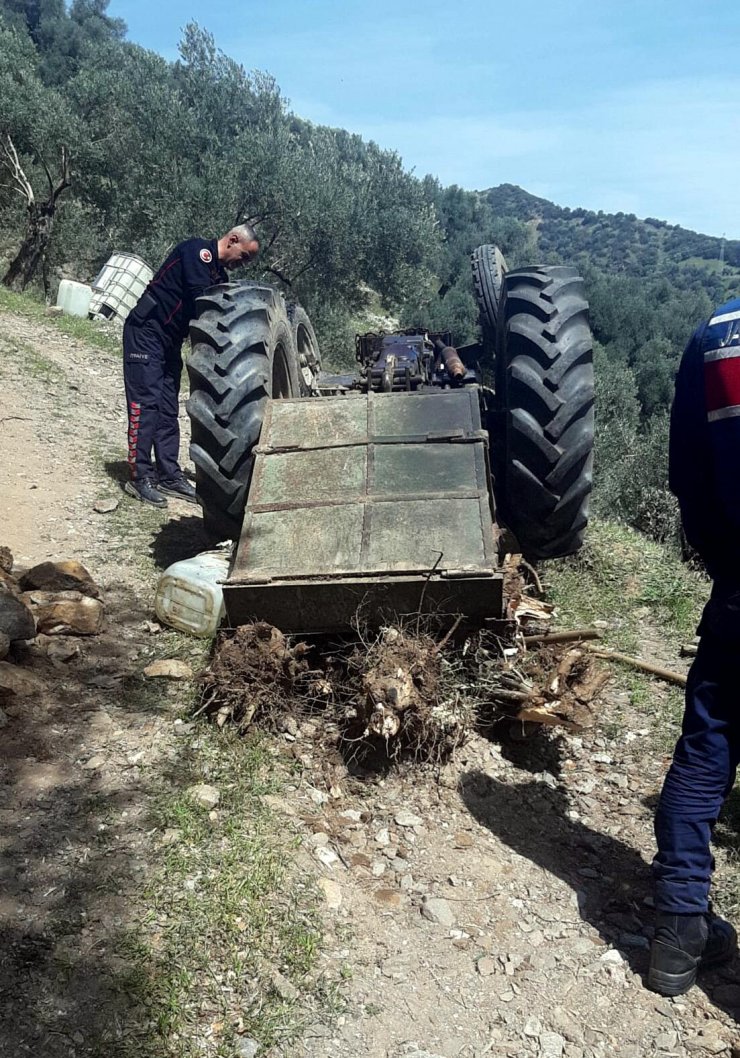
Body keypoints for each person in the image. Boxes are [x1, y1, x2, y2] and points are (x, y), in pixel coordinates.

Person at [649, 295, 740, 996]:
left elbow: (687, 478)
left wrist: (724, 566)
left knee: (706, 751)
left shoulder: (713, 336)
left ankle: (679, 932)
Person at [123, 224, 260, 507]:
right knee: (145, 404)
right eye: (244, 256)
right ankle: (140, 477)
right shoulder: (197, 253)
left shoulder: (218, 274)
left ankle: (169, 474)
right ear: (233, 240)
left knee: (167, 408)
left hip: (170, 340)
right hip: (146, 332)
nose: (242, 264)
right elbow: (202, 300)